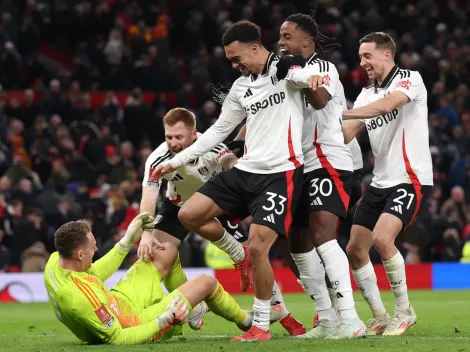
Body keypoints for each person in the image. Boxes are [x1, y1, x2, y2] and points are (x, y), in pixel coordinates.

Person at [151, 20, 309, 341]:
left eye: (237, 58)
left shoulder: (283, 71)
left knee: (264, 244)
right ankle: (240, 255)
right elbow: (219, 132)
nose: (235, 66)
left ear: (254, 47)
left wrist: (312, 77)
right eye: (230, 61)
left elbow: (300, 74)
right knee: (190, 214)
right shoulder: (240, 88)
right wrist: (175, 162)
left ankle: (263, 325)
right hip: (246, 171)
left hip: (280, 171)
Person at [137, 107, 305, 335]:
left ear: (194, 134)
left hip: (217, 205)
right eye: (168, 137)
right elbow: (148, 200)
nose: (173, 143)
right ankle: (193, 304)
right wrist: (146, 234)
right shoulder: (158, 158)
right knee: (156, 253)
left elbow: (231, 164)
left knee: (256, 257)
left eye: (179, 137)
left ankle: (286, 317)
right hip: (177, 206)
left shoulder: (210, 145)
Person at [276, 13, 366, 339]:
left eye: (287, 37)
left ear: (306, 41)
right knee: (297, 242)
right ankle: (326, 319)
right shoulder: (289, 74)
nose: (281, 42)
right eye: (280, 37)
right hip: (301, 165)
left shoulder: (322, 68)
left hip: (328, 161)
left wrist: (297, 75)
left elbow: (320, 98)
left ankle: (351, 319)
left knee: (323, 236)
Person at [44, 213, 256, 344]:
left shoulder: (56, 261)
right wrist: (164, 319)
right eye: (92, 247)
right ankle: (245, 320)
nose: (97, 248)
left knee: (167, 250)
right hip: (134, 323)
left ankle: (193, 310)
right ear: (79, 255)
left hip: (119, 300)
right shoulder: (80, 299)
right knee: (206, 283)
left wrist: (126, 242)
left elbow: (93, 274)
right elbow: (118, 338)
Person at [342, 32, 433, 336]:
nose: (362, 62)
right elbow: (344, 133)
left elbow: (387, 106)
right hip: (380, 183)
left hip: (410, 177)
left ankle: (404, 311)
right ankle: (380, 316)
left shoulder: (410, 79)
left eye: (367, 56)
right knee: (355, 249)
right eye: (360, 57)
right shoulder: (366, 95)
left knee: (382, 239)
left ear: (386, 55)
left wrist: (341, 111)